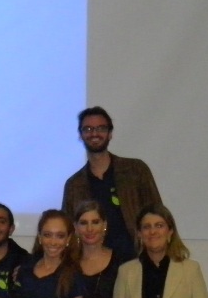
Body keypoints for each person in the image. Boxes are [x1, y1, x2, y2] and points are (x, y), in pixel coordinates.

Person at [62, 106, 163, 264]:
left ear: (110, 133)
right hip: (93, 265)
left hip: (137, 261)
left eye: (101, 128)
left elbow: (158, 215)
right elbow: (67, 230)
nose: (94, 133)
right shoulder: (74, 185)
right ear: (80, 135)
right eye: (88, 129)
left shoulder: (136, 171)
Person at [73, 200, 119, 298]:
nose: (90, 229)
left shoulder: (121, 263)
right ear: (75, 227)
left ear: (104, 225)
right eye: (83, 223)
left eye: (95, 222)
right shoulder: (68, 264)